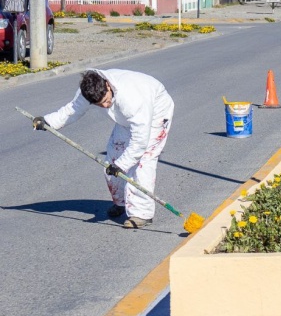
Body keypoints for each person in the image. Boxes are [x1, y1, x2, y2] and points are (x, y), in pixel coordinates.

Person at [32, 69, 175, 229]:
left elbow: (140, 140)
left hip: (155, 114)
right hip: (125, 119)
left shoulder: (132, 97)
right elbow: (73, 109)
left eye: (106, 100)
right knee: (112, 162)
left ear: (108, 85)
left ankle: (142, 214)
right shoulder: (89, 90)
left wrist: (123, 164)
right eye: (100, 105)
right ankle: (121, 202)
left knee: (141, 164)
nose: (105, 105)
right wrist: (48, 121)